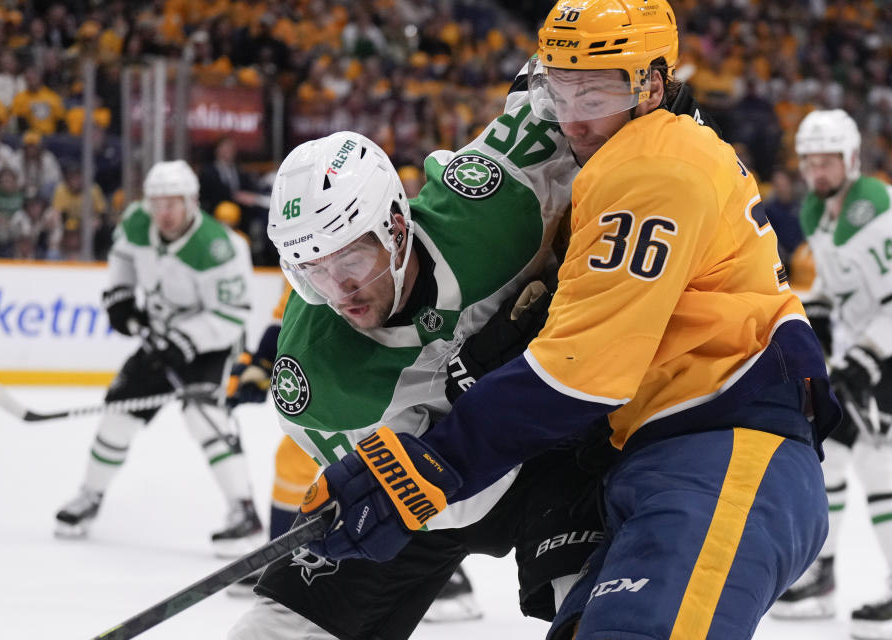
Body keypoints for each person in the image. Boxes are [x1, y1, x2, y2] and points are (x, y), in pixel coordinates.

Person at [295, 2, 841, 640]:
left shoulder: (652, 164)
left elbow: (579, 374)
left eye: (599, 89)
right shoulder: (636, 160)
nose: (575, 118)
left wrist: (431, 464)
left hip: (726, 448)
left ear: (653, 87)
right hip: (657, 456)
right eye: (560, 88)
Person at [228, 103, 612, 636]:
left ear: (396, 227)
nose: (339, 293)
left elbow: (561, 82)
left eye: (351, 262)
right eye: (312, 273)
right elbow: (447, 505)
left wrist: (652, 114)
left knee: (601, 613)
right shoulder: (316, 379)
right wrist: (483, 396)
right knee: (274, 629)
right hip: (430, 493)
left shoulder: (490, 209)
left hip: (560, 445)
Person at [227, 281, 484, 623]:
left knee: (405, 469)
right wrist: (258, 361)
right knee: (297, 463)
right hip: (333, 380)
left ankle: (447, 575)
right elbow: (289, 314)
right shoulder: (308, 263)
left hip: (389, 378)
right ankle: (282, 553)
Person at [54, 160, 265, 557]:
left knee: (205, 418)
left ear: (191, 202)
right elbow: (123, 260)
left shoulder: (220, 246)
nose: (163, 213)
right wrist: (120, 297)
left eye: (172, 203)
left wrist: (185, 341)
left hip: (211, 343)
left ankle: (244, 510)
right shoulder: (137, 221)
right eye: (156, 203)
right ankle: (90, 495)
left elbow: (232, 313)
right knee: (117, 415)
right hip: (159, 335)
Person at [770, 109, 892, 638]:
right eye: (811, 161)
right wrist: (809, 319)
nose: (818, 171)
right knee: (834, 458)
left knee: (880, 468)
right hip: (861, 350)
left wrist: (866, 359)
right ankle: (824, 576)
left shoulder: (878, 209)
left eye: (828, 160)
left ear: (851, 159)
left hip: (882, 352)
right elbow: (835, 291)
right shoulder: (819, 211)